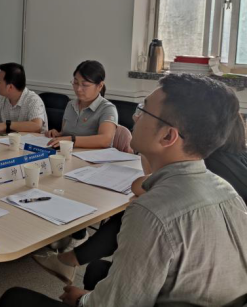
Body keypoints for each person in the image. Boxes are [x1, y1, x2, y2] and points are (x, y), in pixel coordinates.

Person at [0, 74, 247, 306]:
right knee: (97, 270)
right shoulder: (227, 192)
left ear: (168, 137)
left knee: (14, 298)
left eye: (144, 110)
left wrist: (81, 300)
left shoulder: (152, 212)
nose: (135, 118)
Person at [40, 113, 247, 288]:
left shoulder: (205, 163)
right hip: (224, 254)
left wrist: (150, 152)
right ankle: (71, 259)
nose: (136, 117)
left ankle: (71, 260)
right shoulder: (239, 157)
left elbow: (142, 185)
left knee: (140, 210)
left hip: (199, 256)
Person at [45, 60, 117, 149]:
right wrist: (58, 135)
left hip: (91, 156)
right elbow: (66, 133)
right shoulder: (71, 105)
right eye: (76, 83)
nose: (78, 89)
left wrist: (71, 140)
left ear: (100, 86)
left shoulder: (107, 108)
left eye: (85, 85)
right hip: (68, 153)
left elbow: (106, 140)